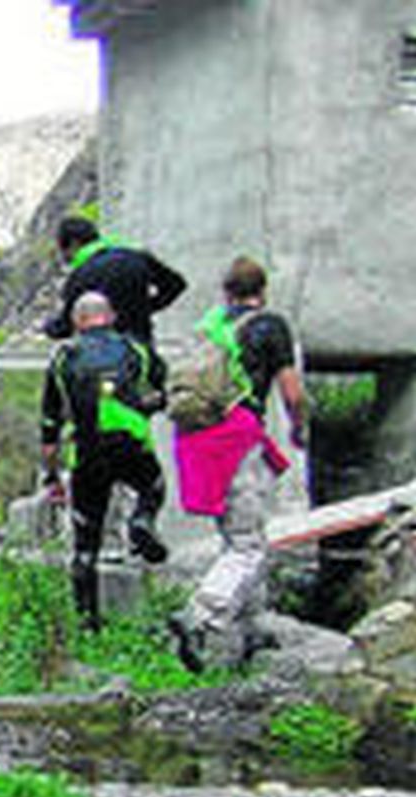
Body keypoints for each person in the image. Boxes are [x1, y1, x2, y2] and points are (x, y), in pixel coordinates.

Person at [169, 256, 308, 671]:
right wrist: (299, 428)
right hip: (237, 438)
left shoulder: (209, 328)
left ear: (225, 292)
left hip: (197, 440)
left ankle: (247, 633)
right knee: (249, 546)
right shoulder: (269, 326)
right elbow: (293, 394)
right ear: (262, 291)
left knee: (235, 536)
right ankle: (202, 614)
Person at [40, 291, 169, 629]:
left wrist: (52, 478)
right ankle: (142, 520)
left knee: (85, 542)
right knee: (152, 487)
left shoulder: (62, 358)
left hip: (86, 454)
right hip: (130, 444)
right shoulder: (135, 349)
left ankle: (88, 623)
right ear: (110, 316)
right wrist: (145, 405)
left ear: (77, 322)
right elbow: (160, 392)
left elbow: (49, 427)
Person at [43, 215, 187, 402]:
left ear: (73, 244)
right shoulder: (135, 256)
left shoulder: (80, 275)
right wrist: (146, 307)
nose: (66, 258)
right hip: (139, 355)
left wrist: (48, 327)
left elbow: (65, 326)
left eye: (64, 251)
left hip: (97, 363)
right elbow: (176, 285)